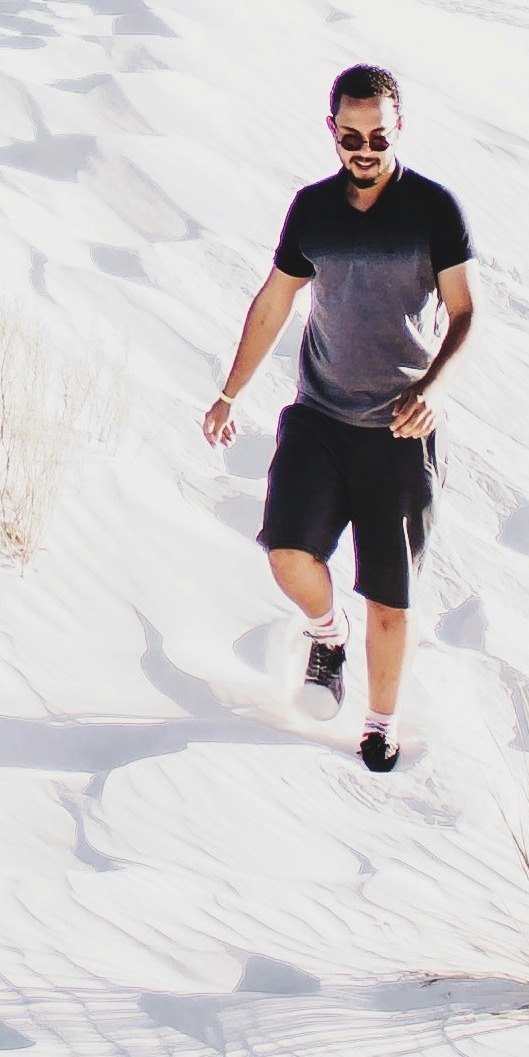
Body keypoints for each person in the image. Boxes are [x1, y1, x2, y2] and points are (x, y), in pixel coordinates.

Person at [202, 63, 473, 771]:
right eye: (351, 135)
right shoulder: (312, 209)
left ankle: (379, 724)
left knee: (391, 597)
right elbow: (273, 303)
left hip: (398, 431)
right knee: (288, 552)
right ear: (332, 130)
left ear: (398, 128)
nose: (365, 148)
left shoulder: (433, 209)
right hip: (319, 417)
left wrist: (435, 390)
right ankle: (327, 635)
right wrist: (230, 392)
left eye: (378, 135)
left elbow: (468, 314)